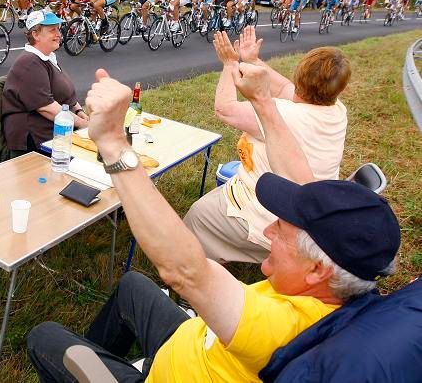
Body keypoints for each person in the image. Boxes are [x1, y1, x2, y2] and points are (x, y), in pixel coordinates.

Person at [28, 60, 399, 383]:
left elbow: (184, 270)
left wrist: (112, 143)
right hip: (199, 340)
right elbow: (299, 175)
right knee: (133, 285)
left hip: (174, 373)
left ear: (318, 270)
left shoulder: (279, 328)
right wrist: (264, 102)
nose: (270, 229)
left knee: (44, 336)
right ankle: (101, 359)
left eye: (281, 231)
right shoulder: (334, 288)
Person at [184, 26, 349, 263]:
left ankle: (195, 279)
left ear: (299, 76)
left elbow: (225, 109)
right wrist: (252, 59)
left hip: (269, 218)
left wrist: (230, 64)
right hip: (306, 214)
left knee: (196, 217)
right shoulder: (336, 110)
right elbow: (283, 88)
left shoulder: (284, 114)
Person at [2, 10, 88, 153]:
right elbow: (46, 107)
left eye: (58, 29)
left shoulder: (48, 58)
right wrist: (82, 124)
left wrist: (79, 111)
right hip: (34, 139)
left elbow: (64, 93)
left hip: (54, 131)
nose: (59, 34)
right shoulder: (29, 63)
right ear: (35, 34)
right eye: (52, 30)